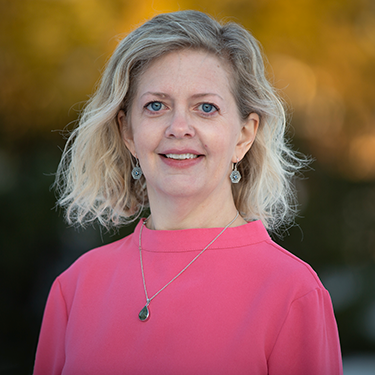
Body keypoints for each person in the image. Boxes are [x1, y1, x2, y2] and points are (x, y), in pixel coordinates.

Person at [34, 10, 343, 375]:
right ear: (128, 132)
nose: (179, 127)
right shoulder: (75, 288)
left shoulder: (293, 293)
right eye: (156, 106)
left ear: (243, 135)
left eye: (206, 108)